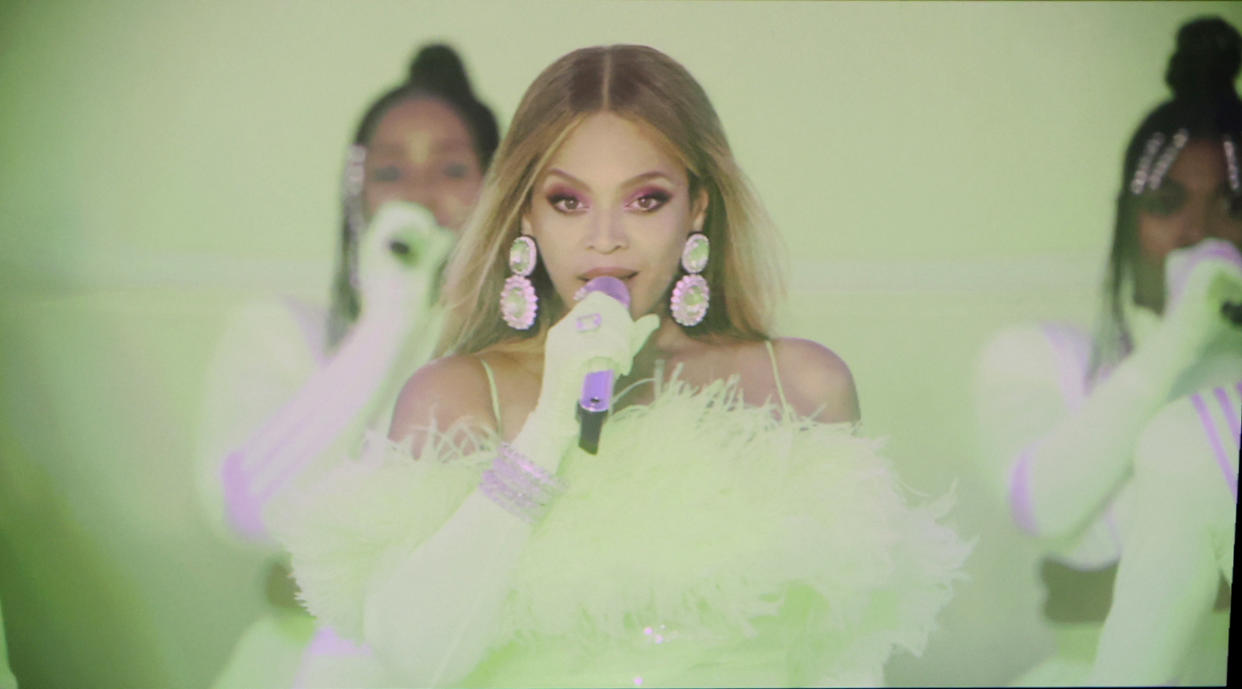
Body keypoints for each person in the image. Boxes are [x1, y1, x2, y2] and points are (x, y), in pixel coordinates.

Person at [272, 44, 970, 687]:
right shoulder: (457, 394)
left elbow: (841, 658)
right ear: (525, 216)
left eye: (646, 199)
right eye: (567, 201)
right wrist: (550, 419)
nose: (604, 237)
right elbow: (414, 655)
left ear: (697, 206)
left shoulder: (803, 386)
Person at [196, 43, 499, 688]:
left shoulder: (521, 354)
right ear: (356, 192)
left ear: (497, 188)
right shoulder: (278, 330)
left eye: (450, 169)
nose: (417, 193)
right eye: (390, 173)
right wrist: (385, 321)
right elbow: (248, 515)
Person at [974, 16, 1242, 686]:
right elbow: (1042, 504)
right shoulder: (1037, 355)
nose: (1196, 232)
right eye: (1166, 201)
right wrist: (1179, 337)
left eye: (1229, 204)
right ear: (1127, 219)